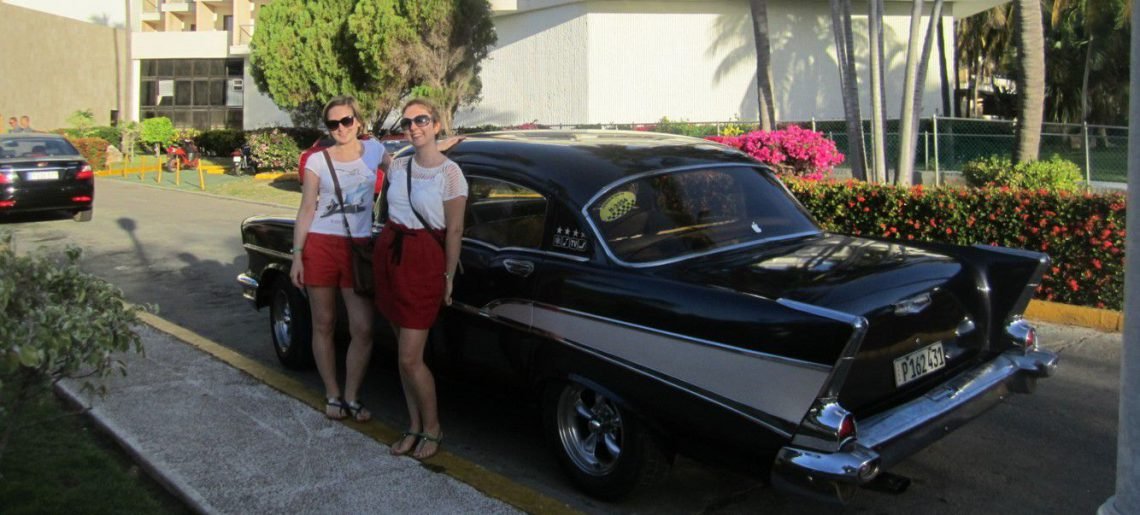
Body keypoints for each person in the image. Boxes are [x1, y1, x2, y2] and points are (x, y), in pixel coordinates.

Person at [374, 99, 467, 460]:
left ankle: (433, 428)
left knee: (412, 358)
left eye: (422, 120)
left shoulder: (451, 174)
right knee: (402, 355)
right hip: (390, 256)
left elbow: (455, 229)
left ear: (437, 123)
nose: (414, 126)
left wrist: (448, 276)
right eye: (408, 121)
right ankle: (413, 425)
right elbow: (367, 148)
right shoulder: (398, 165)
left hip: (424, 260)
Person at [290, 96, 390, 422]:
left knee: (362, 328)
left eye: (346, 121)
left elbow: (404, 169)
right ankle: (333, 393)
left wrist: (437, 147)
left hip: (357, 247)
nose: (341, 129)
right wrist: (297, 256)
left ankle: (352, 395)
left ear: (358, 121)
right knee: (324, 323)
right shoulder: (317, 161)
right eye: (333, 124)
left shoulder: (374, 150)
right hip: (320, 244)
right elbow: (307, 208)